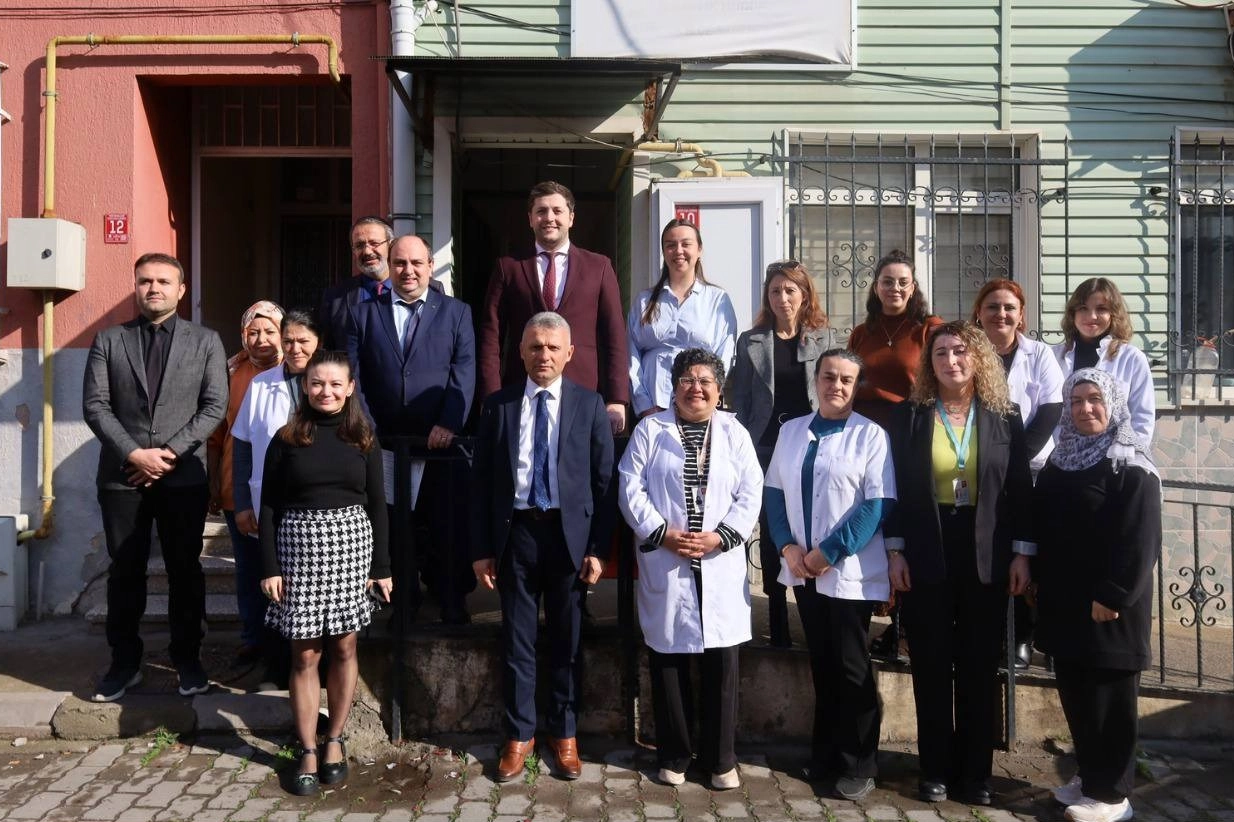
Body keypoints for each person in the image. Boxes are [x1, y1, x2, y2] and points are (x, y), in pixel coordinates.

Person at [883, 321, 1033, 806]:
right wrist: (895, 550)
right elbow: (894, 488)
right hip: (927, 546)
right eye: (941, 353)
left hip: (986, 550)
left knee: (978, 665)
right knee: (930, 662)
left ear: (979, 358)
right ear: (930, 363)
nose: (951, 360)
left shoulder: (1005, 415)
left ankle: (975, 774)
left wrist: (1023, 553)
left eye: (961, 351)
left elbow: (1019, 489)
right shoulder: (910, 416)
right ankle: (934, 769)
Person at [470, 313, 615, 783]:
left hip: (568, 538)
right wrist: (482, 548)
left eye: (553, 347)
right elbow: (481, 481)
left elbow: (604, 483)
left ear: (570, 353)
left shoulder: (589, 404)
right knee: (517, 639)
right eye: (535, 346)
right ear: (521, 352)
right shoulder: (499, 406)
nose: (544, 355)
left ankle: (565, 732)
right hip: (517, 535)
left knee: (567, 639)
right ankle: (519, 734)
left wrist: (599, 548)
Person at [82, 252, 228, 702]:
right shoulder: (109, 340)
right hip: (122, 477)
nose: (154, 288)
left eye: (164, 281)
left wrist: (168, 453)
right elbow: (95, 406)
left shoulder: (206, 341)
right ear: (136, 286)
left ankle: (188, 659)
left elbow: (214, 406)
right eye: (146, 281)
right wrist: (134, 453)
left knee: (185, 570)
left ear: (181, 290)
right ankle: (124, 663)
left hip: (182, 477)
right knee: (125, 571)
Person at [618, 348, 761, 790]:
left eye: (705, 381)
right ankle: (674, 755)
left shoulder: (735, 432)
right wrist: (662, 533)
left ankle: (721, 761)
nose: (695, 388)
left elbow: (751, 491)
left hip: (717, 558)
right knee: (668, 659)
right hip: (669, 557)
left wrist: (721, 536)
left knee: (722, 665)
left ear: (719, 390)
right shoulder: (650, 430)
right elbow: (630, 487)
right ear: (674, 385)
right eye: (687, 379)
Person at [762, 349, 895, 801]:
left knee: (852, 666)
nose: (836, 386)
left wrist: (829, 553)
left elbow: (878, 504)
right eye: (828, 377)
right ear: (815, 380)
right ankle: (827, 754)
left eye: (846, 379)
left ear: (857, 386)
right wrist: (787, 546)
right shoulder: (792, 431)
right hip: (803, 567)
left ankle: (860, 762)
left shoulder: (871, 435)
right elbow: (774, 492)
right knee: (822, 662)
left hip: (847, 571)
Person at [259, 350, 392, 796]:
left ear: (350, 388)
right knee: (304, 654)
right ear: (305, 386)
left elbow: (378, 506)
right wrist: (269, 567)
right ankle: (307, 748)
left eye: (336, 384)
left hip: (351, 550)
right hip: (298, 552)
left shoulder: (364, 438)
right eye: (317, 383)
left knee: (344, 645)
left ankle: (334, 739)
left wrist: (382, 567)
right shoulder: (286, 439)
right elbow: (268, 507)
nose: (326, 391)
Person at [1033, 368, 1160, 822]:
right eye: (1076, 401)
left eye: (1094, 399)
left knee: (1110, 702)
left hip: (1109, 608)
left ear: (1113, 403)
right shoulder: (1061, 460)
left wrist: (1114, 594)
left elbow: (1140, 538)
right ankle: (1090, 776)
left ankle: (1112, 796)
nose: (1085, 409)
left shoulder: (1130, 463)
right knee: (1078, 696)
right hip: (1066, 603)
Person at [346, 234, 476, 623]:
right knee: (394, 526)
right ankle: (403, 604)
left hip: (439, 443)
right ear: (389, 266)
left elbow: (464, 371)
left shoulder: (456, 312)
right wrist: (367, 429)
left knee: (445, 526)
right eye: (400, 263)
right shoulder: (363, 313)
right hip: (386, 443)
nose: (408, 271)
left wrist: (448, 423)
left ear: (430, 267)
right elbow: (355, 376)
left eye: (417, 263)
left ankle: (452, 602)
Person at [728, 260, 839, 647]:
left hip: (808, 445)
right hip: (765, 445)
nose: (783, 298)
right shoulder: (751, 341)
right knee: (771, 527)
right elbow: (740, 396)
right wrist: (743, 440)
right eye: (775, 291)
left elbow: (833, 391)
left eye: (790, 290)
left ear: (804, 295)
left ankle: (813, 610)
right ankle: (776, 615)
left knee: (809, 525)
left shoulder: (823, 338)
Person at [847, 249, 942, 661]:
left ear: (914, 287)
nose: (895, 288)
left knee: (906, 528)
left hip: (910, 439)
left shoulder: (928, 329)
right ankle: (877, 618)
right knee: (874, 526)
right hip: (866, 441)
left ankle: (906, 628)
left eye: (903, 282)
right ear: (876, 287)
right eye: (887, 281)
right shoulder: (861, 333)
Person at [478, 181, 629, 434]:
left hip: (582, 392)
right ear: (530, 219)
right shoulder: (508, 267)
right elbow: (491, 336)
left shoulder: (599, 267)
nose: (549, 218)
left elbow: (614, 336)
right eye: (541, 211)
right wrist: (490, 396)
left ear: (571, 218)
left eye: (557, 211)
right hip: (521, 392)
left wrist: (617, 398)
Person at [971, 278, 1064, 669]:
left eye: (1009, 307)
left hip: (1031, 469)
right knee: (992, 552)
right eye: (992, 306)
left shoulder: (1038, 354)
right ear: (979, 312)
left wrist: (1015, 461)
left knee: (1029, 553)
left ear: (1021, 314)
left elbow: (1051, 409)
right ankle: (991, 633)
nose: (1001, 314)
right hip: (979, 469)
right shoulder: (968, 352)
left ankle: (1024, 636)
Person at [231, 309, 322, 689]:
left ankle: (314, 674)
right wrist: (241, 502)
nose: (295, 348)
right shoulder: (260, 384)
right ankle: (274, 669)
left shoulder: (330, 381)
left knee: (311, 591)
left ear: (317, 343)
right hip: (269, 505)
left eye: (303, 341)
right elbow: (242, 446)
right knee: (273, 587)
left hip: (317, 508)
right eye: (289, 341)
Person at [208, 300, 284, 667]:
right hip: (235, 488)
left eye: (270, 331)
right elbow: (216, 436)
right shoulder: (229, 374)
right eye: (254, 332)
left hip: (284, 492)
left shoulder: (297, 372)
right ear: (243, 336)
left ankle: (284, 639)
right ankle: (253, 637)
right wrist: (213, 485)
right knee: (248, 567)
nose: (262, 339)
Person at [628, 219, 738, 419]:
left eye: (686, 244)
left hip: (699, 406)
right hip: (651, 408)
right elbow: (630, 354)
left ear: (699, 250)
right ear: (664, 252)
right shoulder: (644, 300)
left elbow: (725, 354)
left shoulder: (717, 300)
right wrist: (643, 404)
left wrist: (706, 399)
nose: (678, 251)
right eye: (670, 245)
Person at [1053, 277, 1155, 444]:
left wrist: (1129, 454)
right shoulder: (1053, 357)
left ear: (1114, 314)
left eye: (1101, 309)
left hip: (1114, 455)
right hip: (1062, 454)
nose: (1092, 316)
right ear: (1073, 314)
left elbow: (1142, 419)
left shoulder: (1131, 358)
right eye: (1083, 308)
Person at [318, 217, 394, 351]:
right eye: (359, 245)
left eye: (374, 243)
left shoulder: (419, 291)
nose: (367, 251)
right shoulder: (335, 297)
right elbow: (328, 350)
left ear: (390, 245)